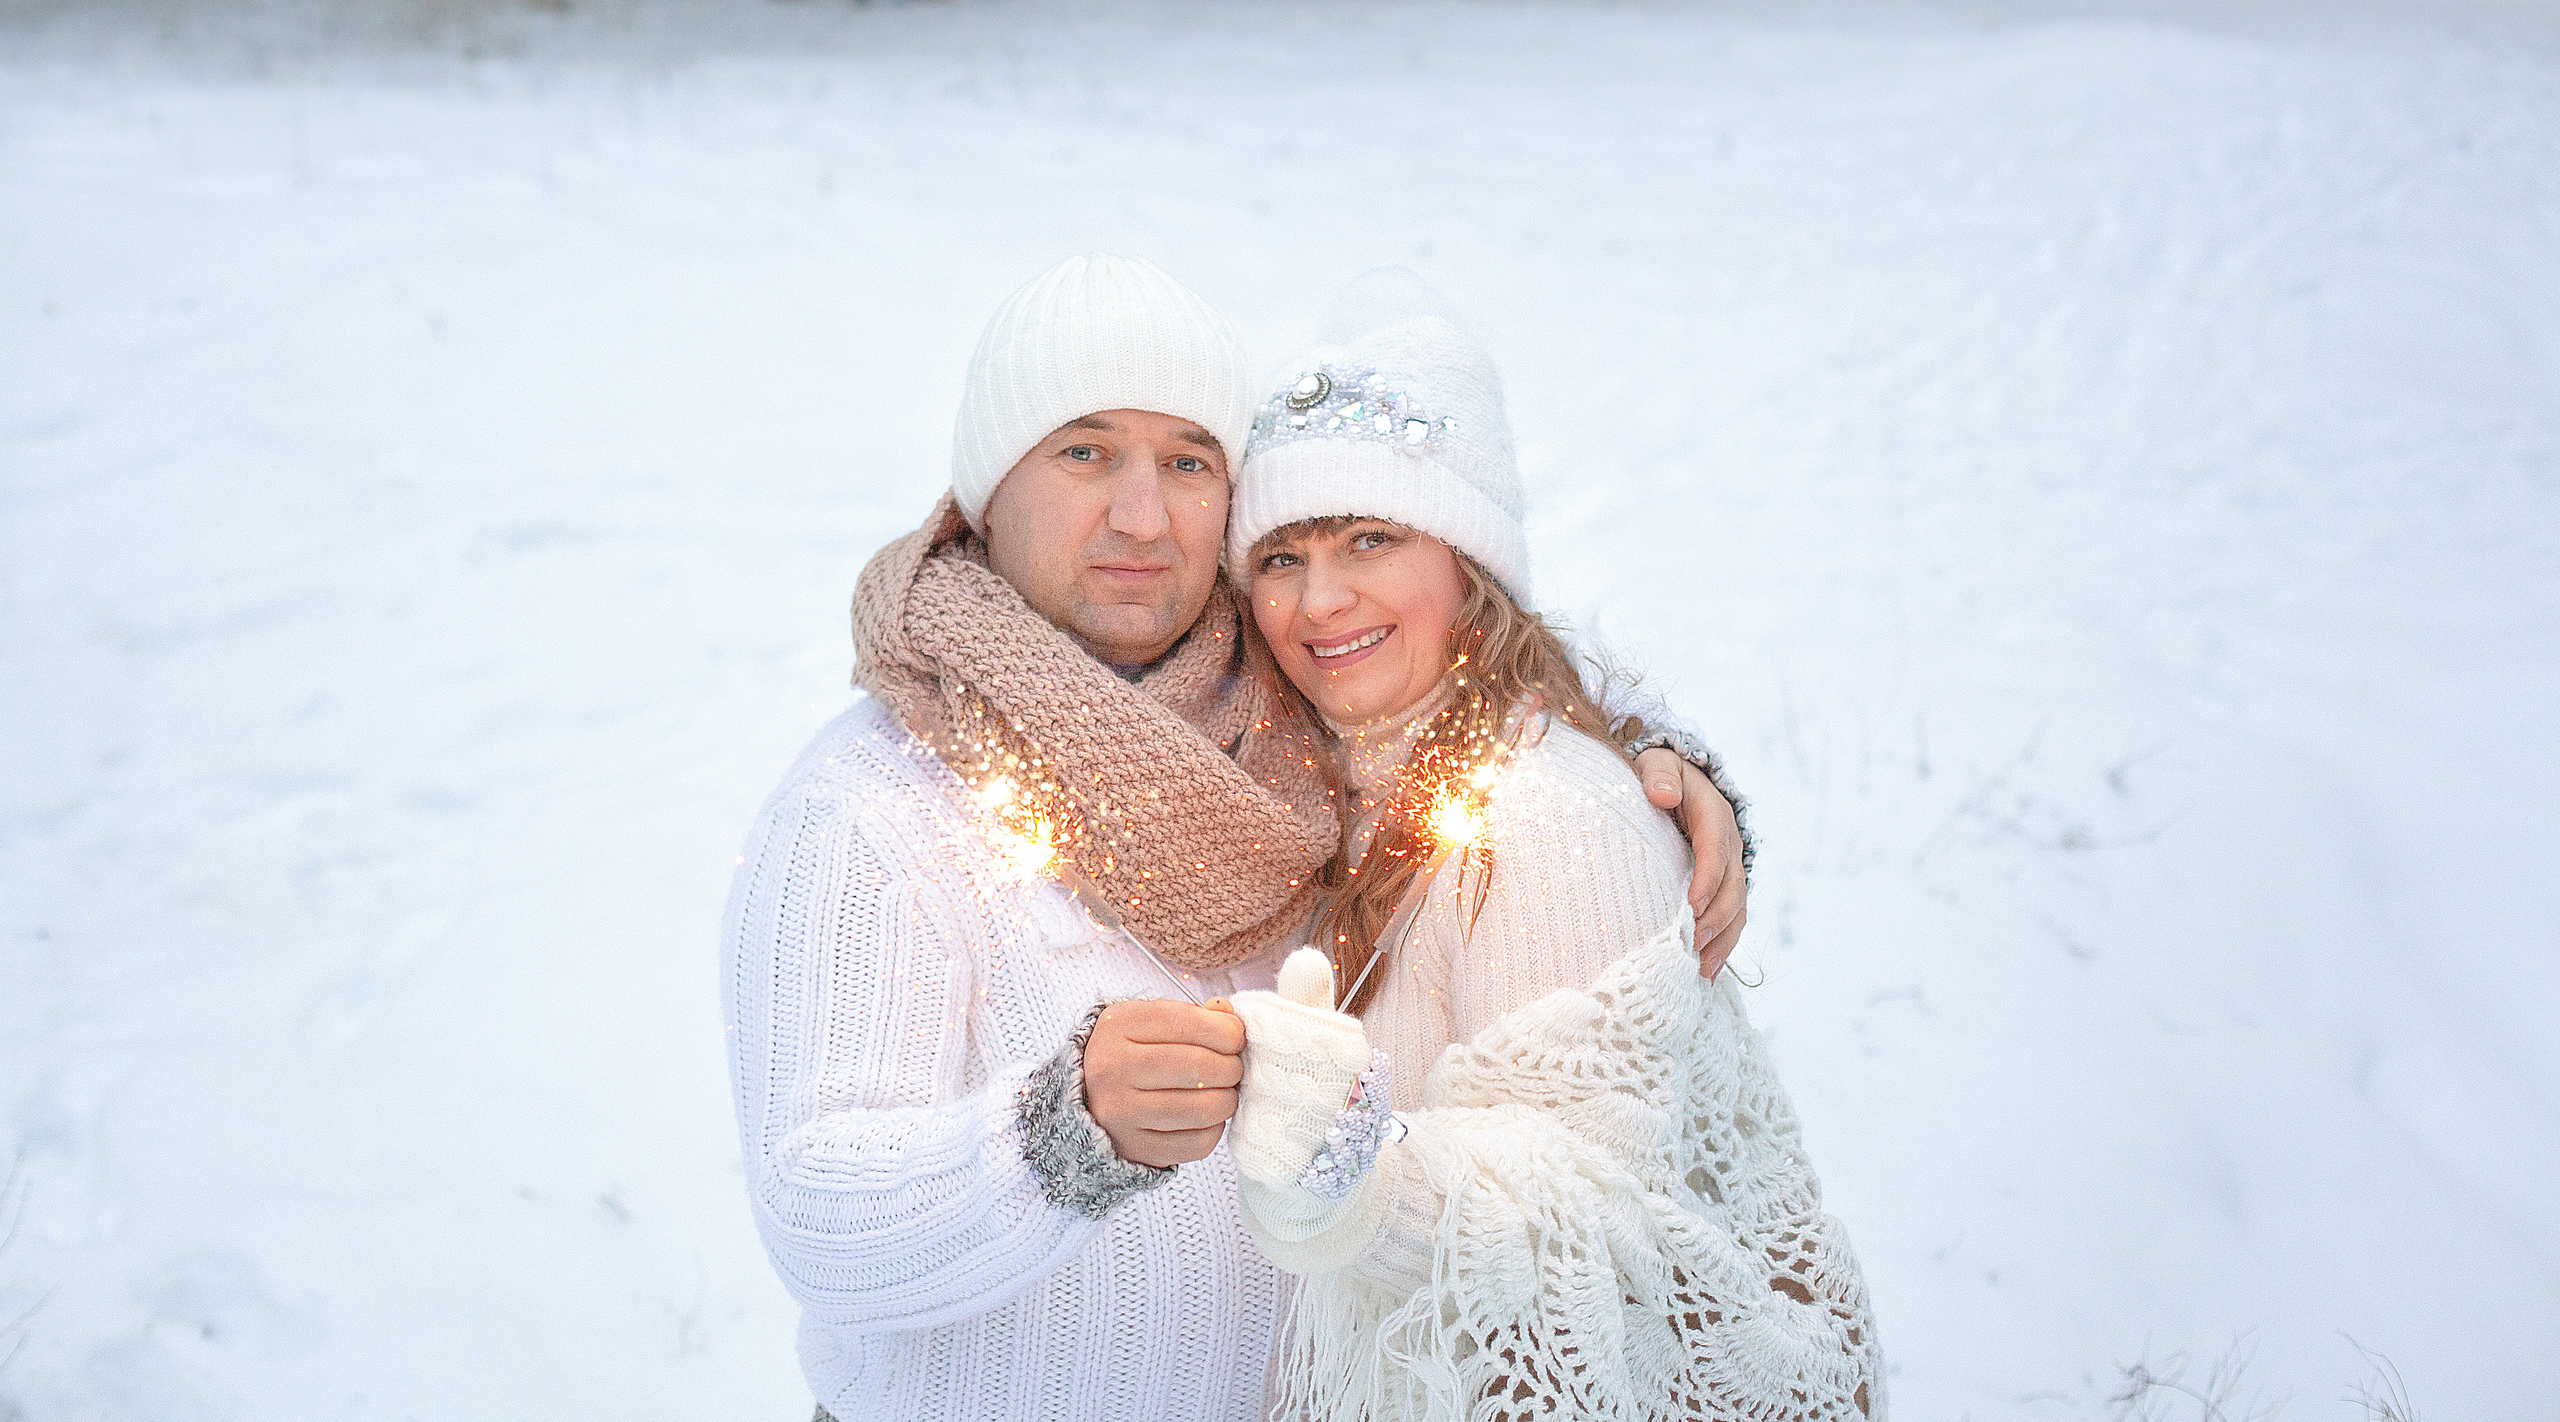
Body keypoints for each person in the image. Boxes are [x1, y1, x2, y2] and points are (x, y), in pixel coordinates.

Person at [721, 253, 1752, 1422]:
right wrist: (1057, 1138)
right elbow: (816, 1219)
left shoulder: (1280, 706)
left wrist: (1650, 770)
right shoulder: (872, 804)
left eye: (1188, 462)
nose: (1141, 516)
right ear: (984, 494)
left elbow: (1460, 663)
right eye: (1084, 451)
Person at [1223, 281, 1884, 1420]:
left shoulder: (1550, 817)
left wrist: (1350, 1180)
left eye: (1369, 539)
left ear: (1467, 567)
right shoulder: (1313, 777)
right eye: (1281, 557)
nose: (1319, 601)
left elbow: (1586, 1234)